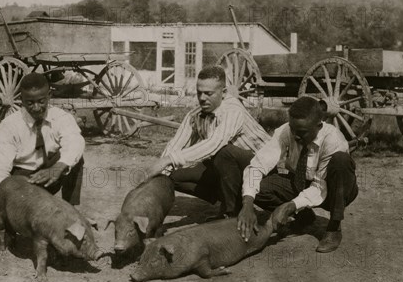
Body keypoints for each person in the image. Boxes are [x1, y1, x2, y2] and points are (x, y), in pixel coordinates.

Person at [145, 65, 270, 219]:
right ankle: (229, 202)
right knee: (173, 175)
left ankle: (231, 214)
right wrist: (159, 171)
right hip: (229, 169)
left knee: (224, 152)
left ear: (223, 93)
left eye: (208, 93)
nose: (202, 98)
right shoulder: (195, 115)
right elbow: (176, 144)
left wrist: (169, 159)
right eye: (199, 93)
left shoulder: (233, 110)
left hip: (262, 168)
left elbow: (214, 144)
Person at [237, 96, 358, 253]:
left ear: (319, 126)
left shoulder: (334, 140)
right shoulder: (287, 131)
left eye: (301, 132)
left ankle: (334, 227)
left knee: (341, 161)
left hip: (333, 188)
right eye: (292, 129)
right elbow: (257, 165)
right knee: (260, 188)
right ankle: (305, 218)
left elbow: (319, 187)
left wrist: (290, 206)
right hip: (302, 182)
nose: (295, 136)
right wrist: (248, 203)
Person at [0, 72, 85, 227]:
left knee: (75, 158)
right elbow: (0, 170)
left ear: (49, 96)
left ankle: (71, 212)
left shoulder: (61, 117)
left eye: (41, 101)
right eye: (30, 103)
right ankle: (33, 214)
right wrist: (13, 200)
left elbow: (75, 142)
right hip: (21, 180)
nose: (36, 108)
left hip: (51, 174)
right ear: (21, 100)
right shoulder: (9, 125)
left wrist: (59, 166)